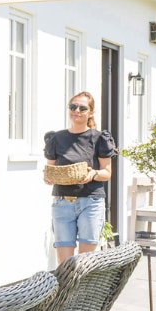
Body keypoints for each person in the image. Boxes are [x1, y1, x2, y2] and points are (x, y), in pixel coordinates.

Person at [44, 91, 117, 261]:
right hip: (62, 203)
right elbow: (51, 170)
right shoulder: (57, 138)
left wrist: (93, 174)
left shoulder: (99, 138)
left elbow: (107, 173)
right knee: (64, 265)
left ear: (90, 112)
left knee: (85, 262)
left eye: (82, 108)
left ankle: (83, 289)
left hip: (90, 203)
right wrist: (49, 178)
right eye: (73, 106)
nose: (76, 110)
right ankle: (66, 289)